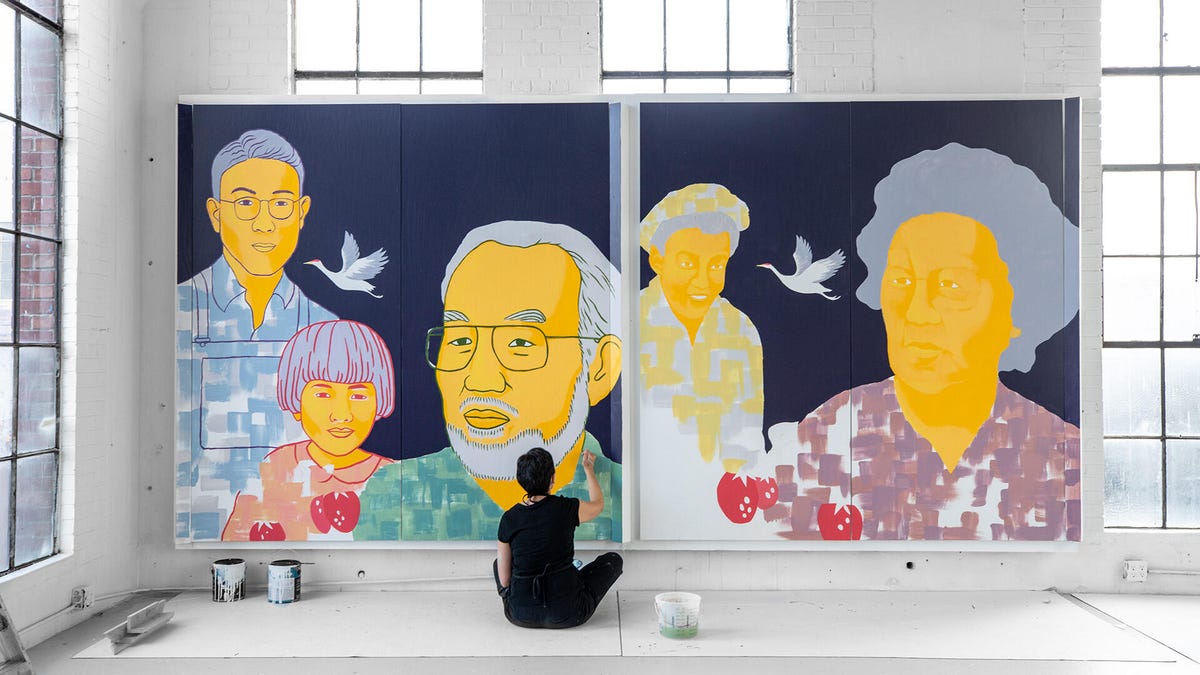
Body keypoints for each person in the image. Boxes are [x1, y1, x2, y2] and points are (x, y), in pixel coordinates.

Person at [767, 143, 1081, 541]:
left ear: (1015, 306)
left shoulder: (1062, 457)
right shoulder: (819, 443)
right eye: (900, 281)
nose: (916, 312)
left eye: (950, 285)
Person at [356, 220, 623, 541]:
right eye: (460, 341)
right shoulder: (394, 499)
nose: (481, 381)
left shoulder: (627, 505)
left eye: (521, 344)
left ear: (600, 368)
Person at [176, 129, 337, 541]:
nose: (265, 222)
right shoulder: (180, 309)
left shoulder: (327, 331)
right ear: (215, 214)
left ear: (301, 212)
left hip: (300, 525)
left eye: (281, 204)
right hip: (202, 523)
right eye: (245, 203)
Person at [637, 183, 771, 538]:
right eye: (687, 262)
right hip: (649, 501)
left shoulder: (741, 331)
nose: (703, 280)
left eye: (716, 264)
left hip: (721, 508)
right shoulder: (630, 323)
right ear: (657, 259)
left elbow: (747, 430)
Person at [221, 320, 395, 541]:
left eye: (358, 396)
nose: (341, 414)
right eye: (323, 395)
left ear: (379, 400)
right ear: (296, 399)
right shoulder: (273, 470)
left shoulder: (390, 477)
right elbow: (234, 541)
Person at [494, 447, 623, 629]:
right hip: (569, 613)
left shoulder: (509, 518)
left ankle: (520, 598)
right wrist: (588, 469)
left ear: (521, 480)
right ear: (552, 478)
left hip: (519, 615)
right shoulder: (566, 508)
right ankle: (567, 577)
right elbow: (598, 505)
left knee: (498, 562)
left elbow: (505, 580)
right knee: (613, 560)